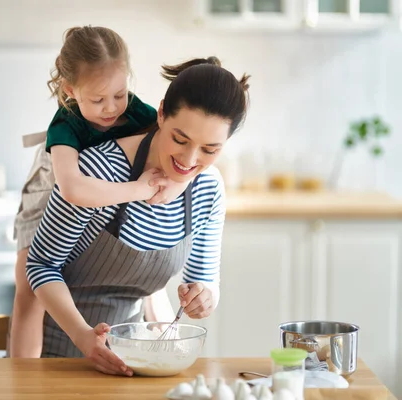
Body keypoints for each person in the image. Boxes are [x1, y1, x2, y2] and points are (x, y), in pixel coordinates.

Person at [25, 56, 250, 375]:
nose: (189, 159)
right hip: (62, 358)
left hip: (139, 362)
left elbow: (204, 280)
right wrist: (83, 337)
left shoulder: (208, 189)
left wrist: (204, 298)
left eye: (210, 150)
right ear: (160, 114)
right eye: (180, 139)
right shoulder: (99, 172)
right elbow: (41, 265)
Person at [10, 25, 186, 357]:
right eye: (98, 99)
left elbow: (169, 141)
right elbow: (72, 189)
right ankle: (23, 376)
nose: (111, 108)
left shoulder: (133, 110)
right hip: (57, 182)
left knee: (145, 270)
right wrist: (137, 188)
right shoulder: (65, 124)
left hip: (117, 186)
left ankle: (160, 338)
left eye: (119, 94)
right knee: (29, 285)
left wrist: (180, 182)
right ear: (71, 90)